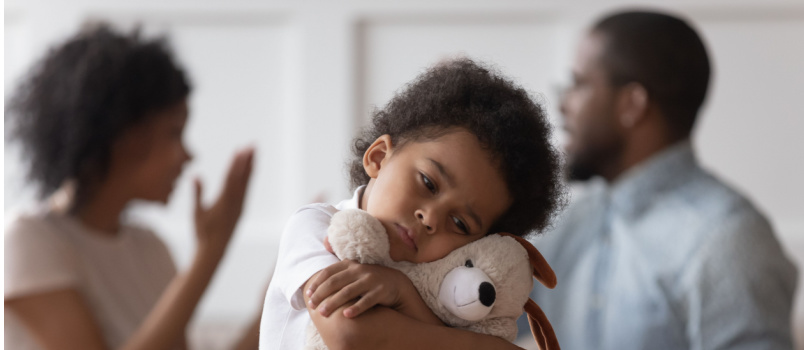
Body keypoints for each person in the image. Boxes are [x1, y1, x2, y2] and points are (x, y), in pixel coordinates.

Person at [524, 10, 798, 349]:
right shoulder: (576, 220)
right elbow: (486, 305)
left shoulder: (727, 242)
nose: (563, 104)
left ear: (631, 105)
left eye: (579, 84)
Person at [259, 58, 565, 350]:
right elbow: (350, 335)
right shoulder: (315, 227)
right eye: (428, 183)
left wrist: (403, 293)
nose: (430, 217)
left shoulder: (441, 282)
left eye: (460, 224)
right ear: (378, 157)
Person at [4, 24, 258, 350]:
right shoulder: (28, 241)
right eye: (174, 132)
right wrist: (209, 254)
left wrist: (275, 304)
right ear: (121, 134)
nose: (187, 155)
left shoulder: (151, 248)